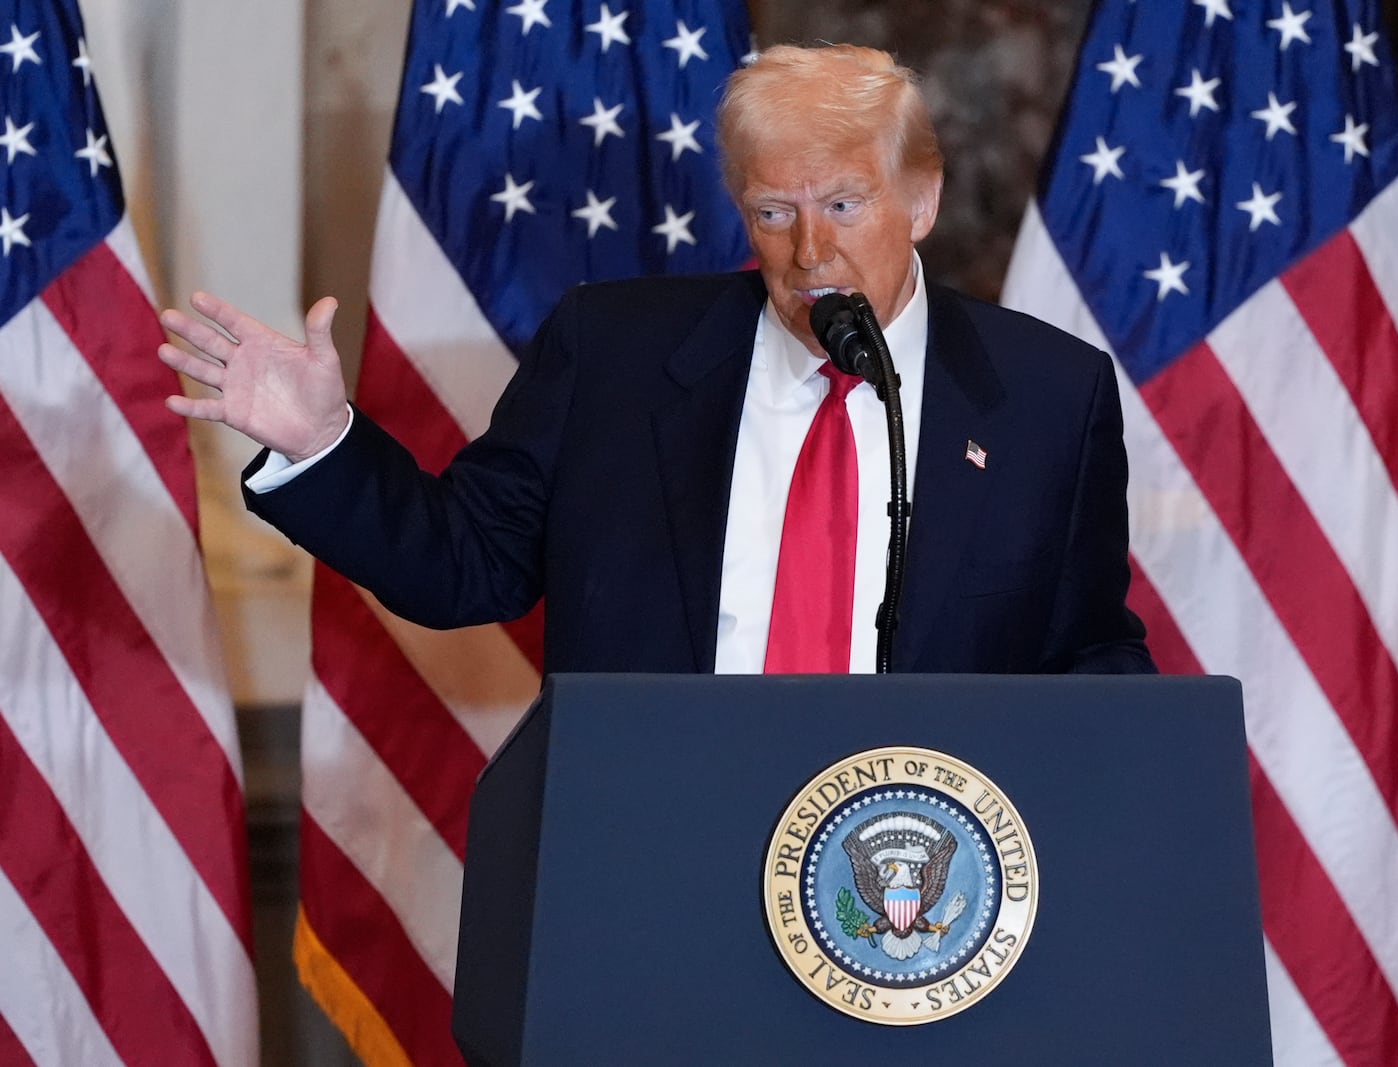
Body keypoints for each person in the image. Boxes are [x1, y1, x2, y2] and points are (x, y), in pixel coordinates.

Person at [158, 43, 1154, 676]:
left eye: (843, 205)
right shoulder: (615, 355)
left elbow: (1086, 654)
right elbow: (465, 566)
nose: (810, 249)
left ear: (921, 202)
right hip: (656, 854)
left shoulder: (1044, 396)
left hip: (917, 896)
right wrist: (323, 443)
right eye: (773, 212)